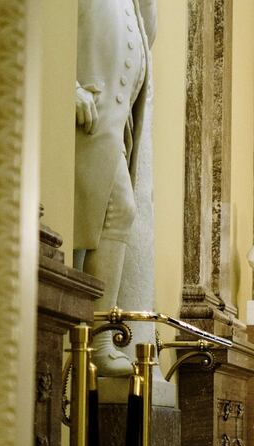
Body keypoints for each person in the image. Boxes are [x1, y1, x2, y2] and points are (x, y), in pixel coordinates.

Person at [74, 0, 156, 376]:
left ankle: (100, 335)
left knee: (120, 211)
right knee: (84, 222)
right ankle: (88, 335)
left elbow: (148, 37)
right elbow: (44, 32)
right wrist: (68, 86)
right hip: (85, 123)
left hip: (110, 131)